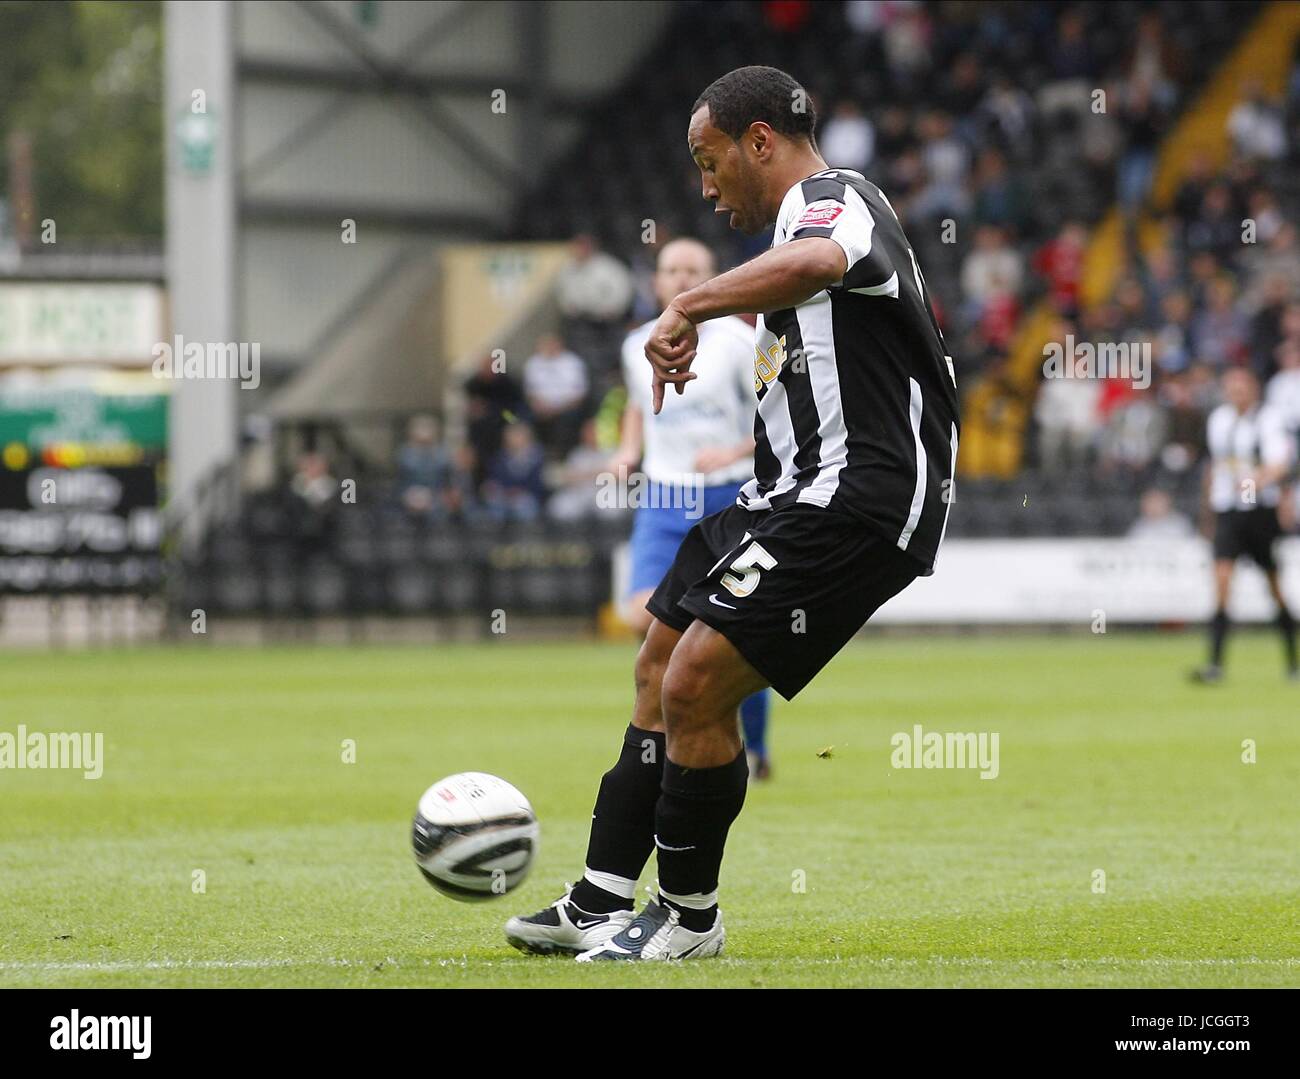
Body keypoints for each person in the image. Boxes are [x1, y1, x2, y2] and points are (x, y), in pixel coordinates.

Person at [505, 66, 960, 962]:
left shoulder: (836, 199)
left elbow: (823, 261)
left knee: (694, 684)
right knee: (659, 662)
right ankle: (599, 898)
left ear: (760, 142)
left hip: (856, 494)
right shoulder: (791, 238)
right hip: (783, 490)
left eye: (711, 165)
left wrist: (687, 303)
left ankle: (688, 917)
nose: (706, 191)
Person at [611, 235, 774, 779]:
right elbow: (638, 405)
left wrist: (734, 449)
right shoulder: (638, 343)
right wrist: (626, 452)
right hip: (663, 496)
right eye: (671, 270)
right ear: (656, 281)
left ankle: (752, 750)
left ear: (711, 279)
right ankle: (668, 737)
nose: (681, 279)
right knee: (642, 614)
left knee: (731, 634)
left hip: (727, 496)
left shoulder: (743, 341)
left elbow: (782, 416)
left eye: (693, 270)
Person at [1191, 367, 1297, 683]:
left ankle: (1293, 662)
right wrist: (1207, 512)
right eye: (1231, 389)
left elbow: (1280, 465)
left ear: (1253, 390)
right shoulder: (1219, 420)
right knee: (1222, 583)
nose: (1236, 395)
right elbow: (1214, 467)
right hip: (1228, 512)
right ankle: (1215, 665)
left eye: (1241, 389)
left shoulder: (1269, 419)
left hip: (1259, 512)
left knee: (1274, 587)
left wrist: (1256, 480)